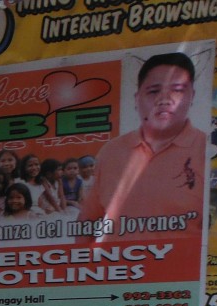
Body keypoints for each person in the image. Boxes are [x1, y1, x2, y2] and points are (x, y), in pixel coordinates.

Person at [78, 51, 207, 233]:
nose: (164, 100)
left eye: (177, 90)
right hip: (122, 261)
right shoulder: (112, 151)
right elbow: (87, 223)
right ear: (137, 99)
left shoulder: (208, 150)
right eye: (154, 91)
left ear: (192, 96)